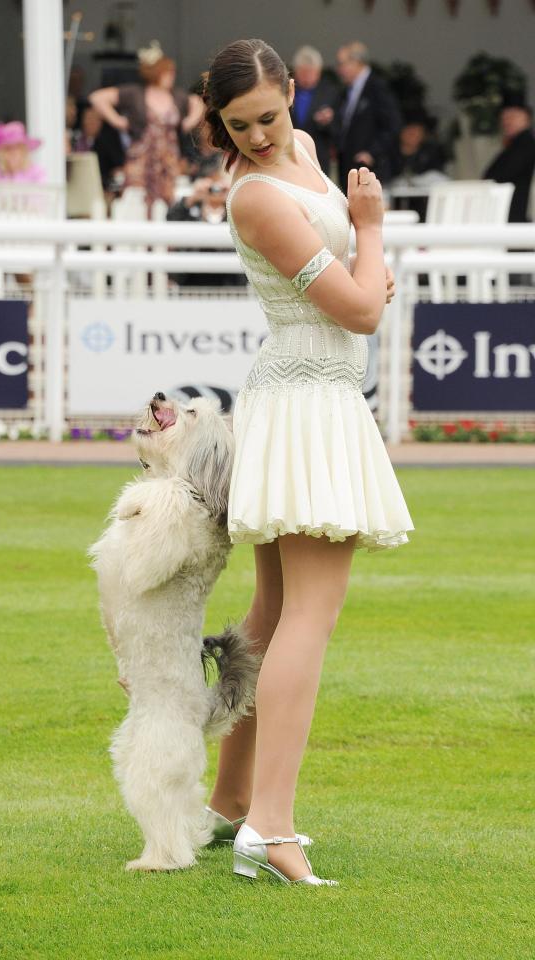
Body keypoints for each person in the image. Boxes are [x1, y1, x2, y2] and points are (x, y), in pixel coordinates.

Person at [202, 38, 413, 886]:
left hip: (312, 397)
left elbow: (360, 296)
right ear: (217, 122)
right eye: (237, 124)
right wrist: (371, 231)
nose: (255, 136)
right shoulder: (254, 197)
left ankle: (226, 802)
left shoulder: (307, 154)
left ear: (292, 94)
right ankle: (270, 827)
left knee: (271, 615)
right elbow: (361, 312)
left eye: (268, 116)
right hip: (305, 401)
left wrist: (368, 264)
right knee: (306, 620)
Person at [89, 40, 204, 212]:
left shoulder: (176, 96)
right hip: (141, 156)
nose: (171, 76)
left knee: (167, 199)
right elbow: (98, 98)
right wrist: (118, 121)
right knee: (137, 199)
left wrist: (187, 123)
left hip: (168, 157)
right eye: (168, 72)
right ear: (157, 72)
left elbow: (197, 102)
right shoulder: (135, 94)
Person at [335, 41, 402, 185]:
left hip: (371, 171)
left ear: (357, 62)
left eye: (342, 64)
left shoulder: (377, 87)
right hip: (350, 169)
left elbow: (393, 124)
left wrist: (372, 153)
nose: (339, 69)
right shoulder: (347, 91)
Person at [166, 172, 247, 287]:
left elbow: (249, 221)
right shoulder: (192, 212)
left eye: (220, 188)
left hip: (228, 281)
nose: (215, 191)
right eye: (210, 188)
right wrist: (193, 197)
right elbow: (171, 219)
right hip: (193, 279)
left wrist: (234, 196)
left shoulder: (233, 212)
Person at [483, 94, 535, 223]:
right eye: (504, 117)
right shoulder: (514, 146)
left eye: (512, 116)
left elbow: (499, 176)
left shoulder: (526, 145)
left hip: (515, 217)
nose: (507, 121)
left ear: (526, 118)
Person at [289, 46, 340, 174]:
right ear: (295, 72)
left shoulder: (330, 92)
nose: (307, 77)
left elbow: (340, 129)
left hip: (318, 158)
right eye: (303, 72)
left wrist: (327, 122)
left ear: (319, 72)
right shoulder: (286, 91)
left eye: (311, 72)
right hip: (290, 155)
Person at [0, 121, 46, 205]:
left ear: (24, 150)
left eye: (17, 148)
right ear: (2, 153)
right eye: (8, 149)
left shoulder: (37, 172)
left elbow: (39, 201)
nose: (13, 152)